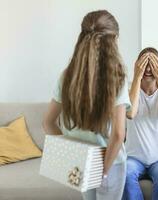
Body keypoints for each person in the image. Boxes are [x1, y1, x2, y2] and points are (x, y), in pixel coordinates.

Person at [42, 10, 130, 200]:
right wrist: (104, 171)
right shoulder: (117, 78)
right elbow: (118, 134)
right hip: (111, 163)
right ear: (114, 40)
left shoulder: (66, 76)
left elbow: (48, 123)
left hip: (80, 161)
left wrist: (70, 154)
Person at [123, 47, 158, 200]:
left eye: (153, 64)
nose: (148, 68)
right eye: (144, 64)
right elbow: (130, 113)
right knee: (124, 173)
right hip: (133, 158)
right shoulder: (129, 92)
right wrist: (136, 76)